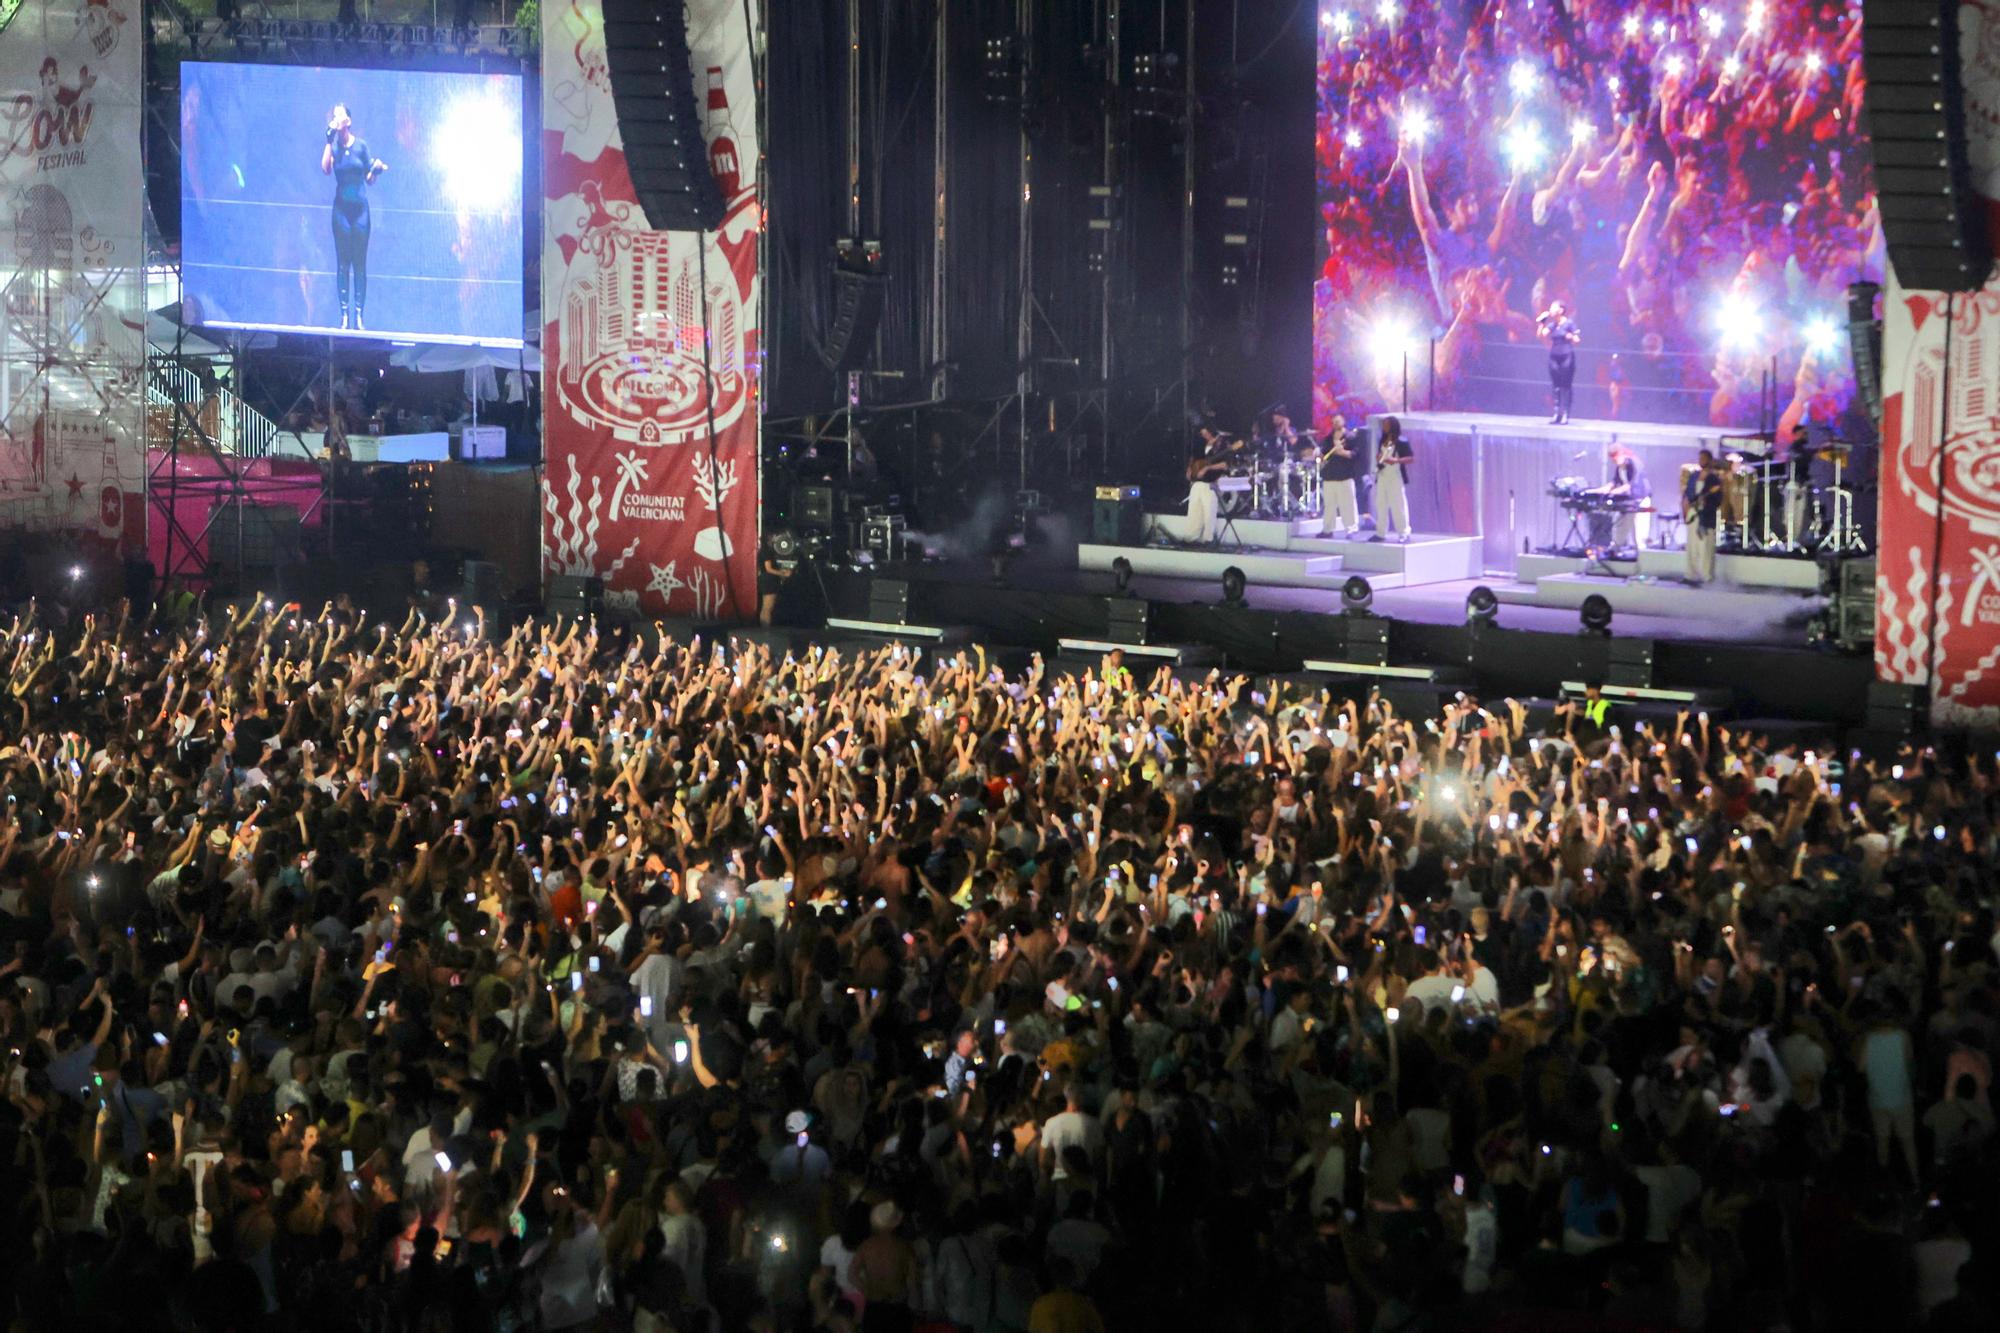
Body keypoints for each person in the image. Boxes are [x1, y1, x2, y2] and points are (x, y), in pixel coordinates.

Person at [319, 102, 388, 331]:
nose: (336, 119)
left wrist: (375, 170)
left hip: (360, 211)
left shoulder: (361, 146)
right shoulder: (334, 148)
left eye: (339, 115)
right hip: (341, 212)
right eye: (333, 116)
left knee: (359, 263)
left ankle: (359, 314)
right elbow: (325, 169)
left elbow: (369, 179)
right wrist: (328, 141)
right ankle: (344, 315)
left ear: (348, 120)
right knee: (342, 264)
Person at [1184, 428, 1236, 545]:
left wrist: (1208, 468)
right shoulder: (1201, 445)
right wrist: (1189, 468)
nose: (1204, 436)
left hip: (1210, 483)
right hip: (1197, 483)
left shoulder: (1221, 447)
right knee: (1194, 511)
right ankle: (1191, 538)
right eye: (1203, 434)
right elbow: (1194, 458)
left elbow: (1224, 465)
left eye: (1206, 433)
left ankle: (1208, 539)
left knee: (1209, 513)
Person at [1683, 449, 1725, 585]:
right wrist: (1688, 505)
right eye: (1700, 458)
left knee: (1705, 546)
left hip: (1706, 516)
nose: (1701, 460)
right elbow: (1687, 493)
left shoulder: (1714, 479)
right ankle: (1691, 574)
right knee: (1692, 545)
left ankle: (1707, 576)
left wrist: (1707, 501)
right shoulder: (1694, 476)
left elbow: (1718, 499)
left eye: (1704, 458)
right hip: (1693, 514)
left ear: (1709, 460)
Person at [1537, 300, 1581, 424]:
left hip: (1567, 356)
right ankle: (1557, 413)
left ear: (1561, 310)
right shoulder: (1552, 325)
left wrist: (1569, 336)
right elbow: (1541, 335)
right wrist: (1541, 323)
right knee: (1556, 386)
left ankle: (1565, 413)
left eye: (1553, 307)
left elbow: (1577, 340)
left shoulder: (1569, 323)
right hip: (1554, 356)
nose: (1550, 310)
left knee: (1565, 385)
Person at [1317, 415, 1361, 537]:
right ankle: (1327, 529)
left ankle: (1351, 528)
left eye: (1338, 421)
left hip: (1345, 476)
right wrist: (1320, 457)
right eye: (1334, 421)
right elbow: (1323, 455)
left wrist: (1341, 452)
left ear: (1343, 421)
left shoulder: (1351, 438)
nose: (1336, 423)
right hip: (1330, 475)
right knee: (1329, 505)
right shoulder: (1328, 439)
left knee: (1348, 504)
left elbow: (1355, 455)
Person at [1371, 414, 1413, 542]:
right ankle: (1380, 532)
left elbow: (1410, 458)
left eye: (1386, 424)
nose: (1384, 427)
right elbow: (1380, 455)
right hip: (1383, 475)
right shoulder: (1382, 440)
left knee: (1397, 504)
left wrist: (1396, 460)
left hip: (1395, 476)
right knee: (1381, 504)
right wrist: (1379, 458)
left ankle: (1404, 532)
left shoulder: (1401, 441)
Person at [1605, 444, 1651, 552]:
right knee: (1620, 524)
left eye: (1615, 459)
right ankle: (1615, 548)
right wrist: (1601, 490)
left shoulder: (1634, 463)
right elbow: (1615, 482)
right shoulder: (1619, 467)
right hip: (1630, 500)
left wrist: (1614, 492)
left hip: (1641, 499)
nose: (1614, 462)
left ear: (1622, 454)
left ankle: (1641, 553)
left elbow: (1631, 484)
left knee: (1639, 530)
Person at [758, 535, 794, 626]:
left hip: (765, 579)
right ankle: (766, 629)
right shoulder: (767, 552)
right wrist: (783, 574)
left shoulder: (762, 551)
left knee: (765, 607)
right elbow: (769, 568)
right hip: (769, 581)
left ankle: (764, 627)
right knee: (768, 607)